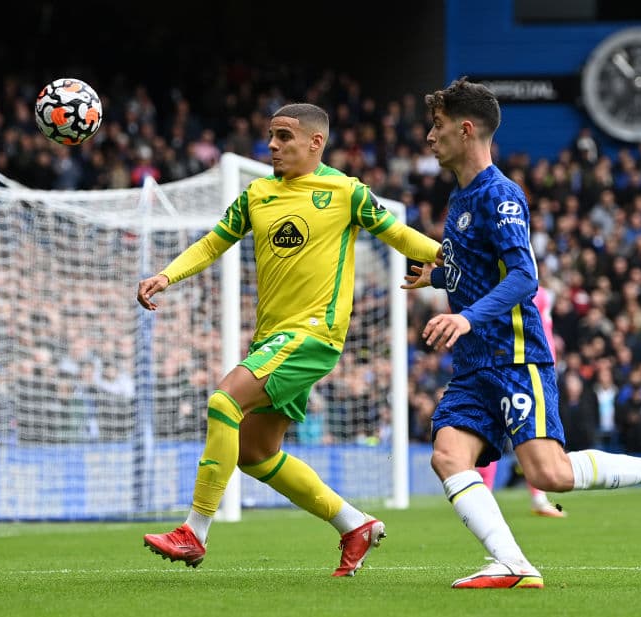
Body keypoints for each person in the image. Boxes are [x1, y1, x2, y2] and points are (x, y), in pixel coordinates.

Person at [403, 78, 641, 590]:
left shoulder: (500, 194)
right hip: (472, 364)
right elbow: (479, 269)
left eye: (436, 126)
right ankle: (512, 563)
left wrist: (464, 317)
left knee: (548, 475)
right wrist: (436, 277)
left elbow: (525, 277)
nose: (428, 137)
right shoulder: (460, 197)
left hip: (514, 357)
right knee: (447, 456)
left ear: (466, 130)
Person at [136, 103, 442, 576]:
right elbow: (214, 241)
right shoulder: (258, 194)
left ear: (315, 142)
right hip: (272, 340)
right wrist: (166, 275)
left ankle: (194, 530)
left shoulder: (345, 192)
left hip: (314, 335)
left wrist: (446, 256)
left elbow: (398, 235)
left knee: (223, 401)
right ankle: (353, 523)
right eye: (271, 136)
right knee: (256, 454)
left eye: (284, 137)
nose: (273, 146)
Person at [476, 286, 566, 518]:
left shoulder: (520, 289)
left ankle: (530, 497)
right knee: (520, 435)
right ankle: (489, 496)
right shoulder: (536, 291)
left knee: (506, 434)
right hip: (521, 369)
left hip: (527, 367)